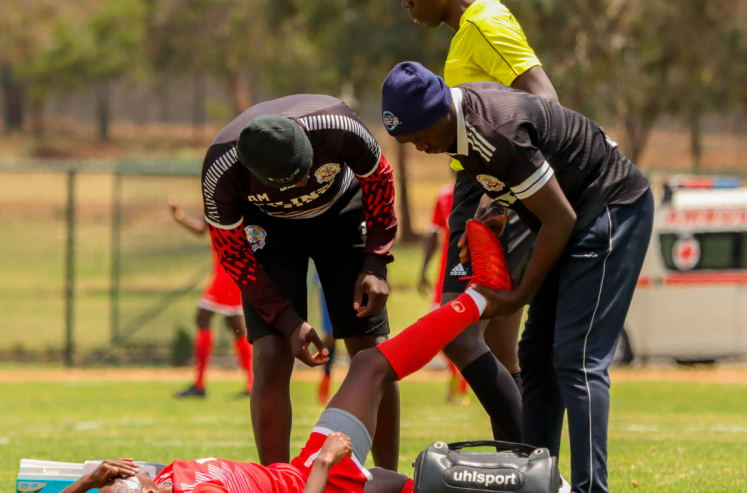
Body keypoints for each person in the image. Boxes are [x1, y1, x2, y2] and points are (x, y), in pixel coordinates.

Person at [60, 221, 510, 493]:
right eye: (121, 487)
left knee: (423, 484)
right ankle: (481, 296)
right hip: (318, 476)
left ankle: (541, 481)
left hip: (309, 472)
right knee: (371, 366)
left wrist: (86, 480)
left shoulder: (158, 479)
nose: (118, 481)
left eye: (113, 486)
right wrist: (324, 461)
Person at [381, 62, 654, 493]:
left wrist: (521, 295)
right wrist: (496, 211)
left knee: (576, 359)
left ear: (440, 113)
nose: (419, 148)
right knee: (537, 355)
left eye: (419, 137)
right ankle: (539, 483)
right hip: (570, 215)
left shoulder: (492, 130)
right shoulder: (456, 132)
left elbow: (559, 218)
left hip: (609, 205)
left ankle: (589, 489)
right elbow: (512, 188)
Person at [200, 95, 400, 470]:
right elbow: (233, 254)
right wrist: (288, 321)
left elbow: (380, 180)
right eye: (294, 180)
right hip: (269, 230)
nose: (307, 181)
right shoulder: (222, 172)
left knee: (371, 350)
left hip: (342, 214)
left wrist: (375, 261)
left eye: (308, 168)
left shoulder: (339, 128)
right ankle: (276, 481)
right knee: (272, 354)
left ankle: (390, 478)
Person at [401, 0, 559, 444]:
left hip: (487, 188)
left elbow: (546, 101)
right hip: (483, 182)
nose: (405, 2)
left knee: (460, 334)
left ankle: (529, 463)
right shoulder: (467, 32)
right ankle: (526, 467)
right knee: (499, 346)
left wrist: (504, 193)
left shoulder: (484, 22)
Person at [168, 199, 253, 399]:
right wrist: (179, 217)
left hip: (229, 271)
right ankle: (252, 383)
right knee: (235, 325)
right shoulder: (216, 198)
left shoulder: (232, 199)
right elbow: (201, 229)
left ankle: (199, 385)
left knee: (203, 316)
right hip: (229, 270)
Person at [417, 183, 468, 405]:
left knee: (469, 331)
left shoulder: (483, 192)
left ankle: (462, 383)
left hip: (473, 274)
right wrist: (423, 271)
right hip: (445, 275)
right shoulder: (444, 196)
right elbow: (433, 235)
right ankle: (457, 373)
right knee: (439, 332)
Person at [315, 272, 337, 405]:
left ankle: (359, 382)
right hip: (326, 279)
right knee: (330, 334)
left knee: (357, 335)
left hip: (354, 275)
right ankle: (326, 375)